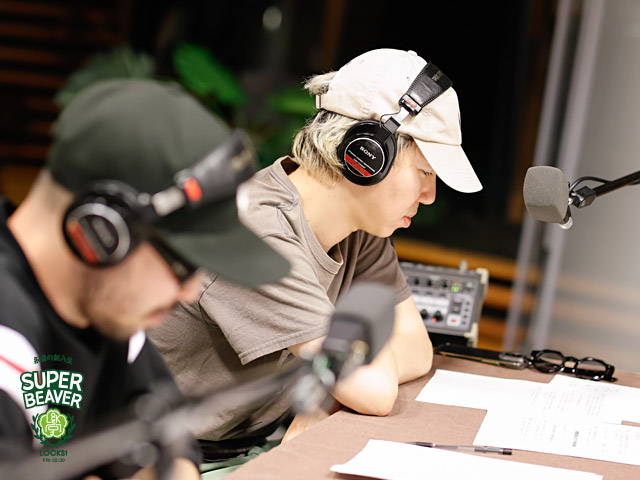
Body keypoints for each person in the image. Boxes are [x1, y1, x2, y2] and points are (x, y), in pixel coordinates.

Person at [149, 48, 483, 461]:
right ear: (368, 154)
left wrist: (327, 397)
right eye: (425, 172)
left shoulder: (360, 230)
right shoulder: (256, 232)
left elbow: (417, 346)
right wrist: (346, 381)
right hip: (167, 459)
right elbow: (375, 391)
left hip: (252, 443)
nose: (430, 195)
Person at [0, 79, 288, 479]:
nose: (190, 291)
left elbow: (169, 445)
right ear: (102, 231)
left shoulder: (108, 312)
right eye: (183, 263)